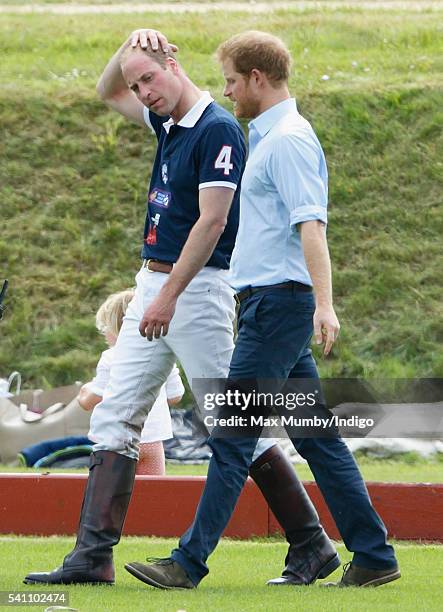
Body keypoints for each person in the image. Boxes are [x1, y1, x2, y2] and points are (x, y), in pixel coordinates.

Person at [24, 29, 338, 587]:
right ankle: (92, 557)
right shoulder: (166, 120)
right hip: (153, 285)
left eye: (149, 77)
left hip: (196, 292)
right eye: (137, 83)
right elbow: (106, 92)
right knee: (115, 414)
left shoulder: (216, 128)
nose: (141, 91)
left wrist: (168, 297)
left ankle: (311, 543)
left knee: (232, 421)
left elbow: (212, 221)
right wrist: (124, 45)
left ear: (174, 63)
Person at [125, 31, 401, 590]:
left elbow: (312, 226)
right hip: (268, 307)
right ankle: (373, 556)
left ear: (256, 78)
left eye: (230, 80)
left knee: (230, 436)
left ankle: (188, 563)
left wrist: (324, 304)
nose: (225, 91)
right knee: (316, 437)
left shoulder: (289, 140)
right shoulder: (268, 136)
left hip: (278, 306)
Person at [77, 288, 184, 475]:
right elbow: (175, 396)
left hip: (116, 442)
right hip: (152, 442)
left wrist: (84, 392)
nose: (104, 335)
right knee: (150, 496)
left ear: (117, 327)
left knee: (109, 498)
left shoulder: (111, 357)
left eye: (105, 329)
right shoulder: (163, 355)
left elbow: (91, 400)